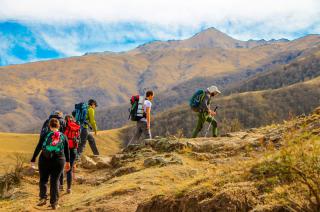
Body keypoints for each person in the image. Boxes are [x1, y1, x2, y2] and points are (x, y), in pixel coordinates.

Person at [31, 118, 70, 210]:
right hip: (59, 160)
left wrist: (33, 159)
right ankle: (54, 203)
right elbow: (67, 150)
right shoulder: (64, 136)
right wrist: (68, 162)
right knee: (55, 181)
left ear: (49, 126)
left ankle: (42, 198)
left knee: (43, 179)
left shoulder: (45, 135)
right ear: (59, 126)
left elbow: (39, 147)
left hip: (44, 159)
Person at [59, 115, 80, 194]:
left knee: (61, 167)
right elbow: (78, 139)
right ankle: (69, 189)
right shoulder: (76, 127)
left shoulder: (64, 126)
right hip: (73, 149)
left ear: (65, 120)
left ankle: (61, 186)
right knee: (69, 169)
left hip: (64, 149)